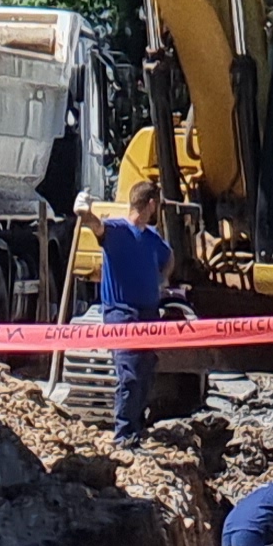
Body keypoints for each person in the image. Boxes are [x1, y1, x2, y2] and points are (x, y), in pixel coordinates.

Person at [98, 177, 177, 448]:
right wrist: (83, 212)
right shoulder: (116, 230)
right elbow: (96, 227)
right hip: (121, 313)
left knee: (145, 372)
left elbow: (169, 257)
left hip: (148, 314)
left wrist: (162, 279)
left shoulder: (152, 238)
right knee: (130, 374)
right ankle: (123, 436)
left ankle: (136, 429)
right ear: (151, 204)